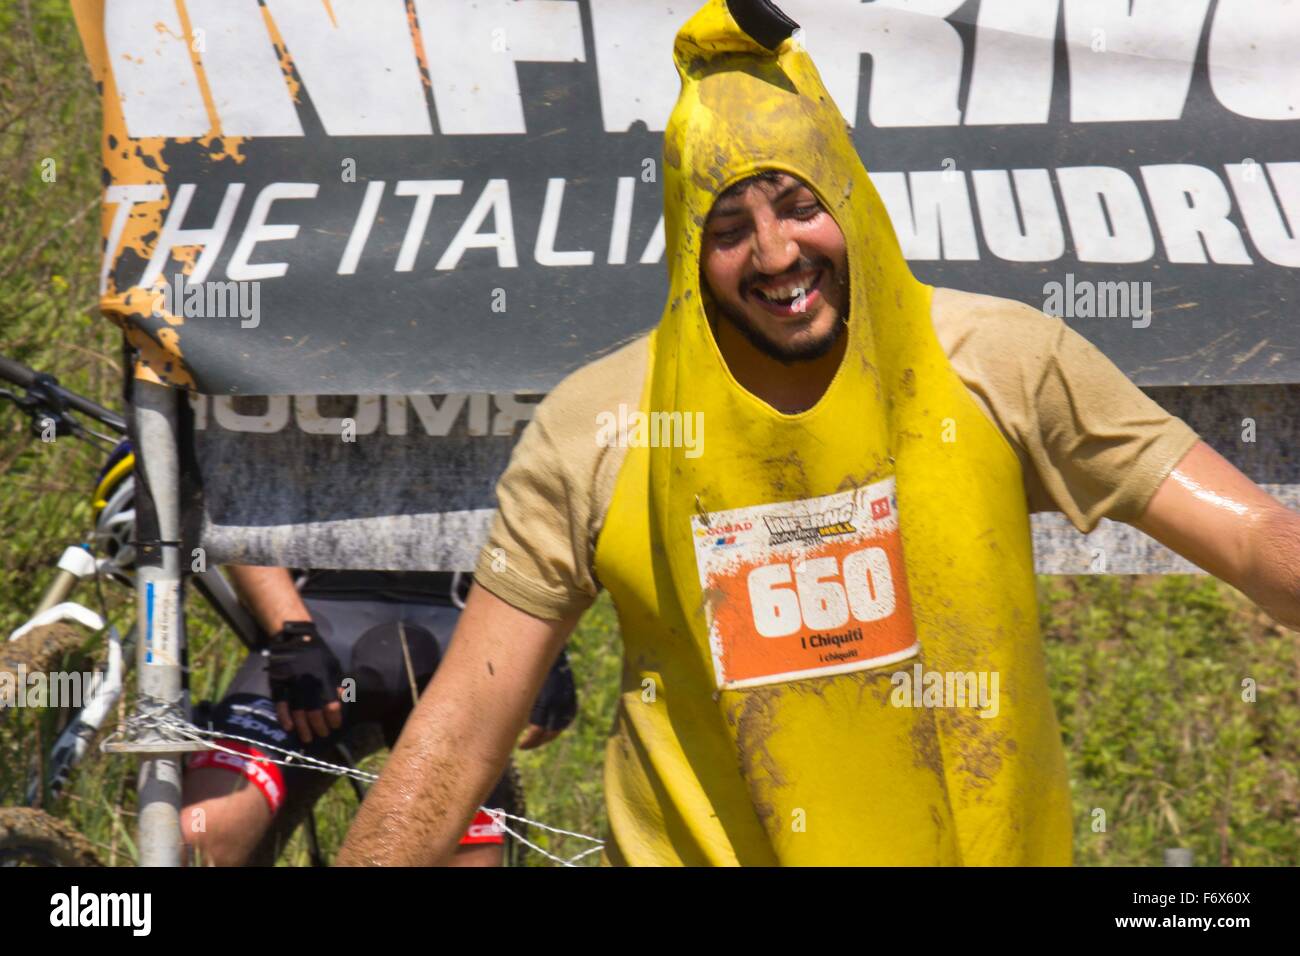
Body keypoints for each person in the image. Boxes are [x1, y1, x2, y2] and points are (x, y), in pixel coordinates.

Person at [337, 0, 1300, 866]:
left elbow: (1255, 539)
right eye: (728, 227)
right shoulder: (600, 429)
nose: (776, 252)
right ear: (686, 250)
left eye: (800, 206)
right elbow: (462, 726)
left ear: (851, 205)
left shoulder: (998, 363)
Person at [182, 565, 576, 866]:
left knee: (466, 852)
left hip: (464, 621)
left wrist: (548, 649)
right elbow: (242, 503)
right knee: (204, 830)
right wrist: (291, 633)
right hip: (315, 621)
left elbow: (546, 511)